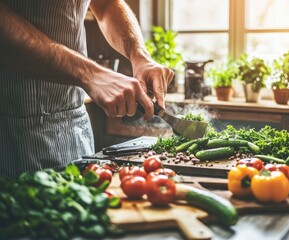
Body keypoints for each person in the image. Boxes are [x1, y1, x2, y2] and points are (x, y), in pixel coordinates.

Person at [0, 0, 174, 179]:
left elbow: (106, 4)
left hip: (75, 126)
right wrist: (92, 75)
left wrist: (139, 54)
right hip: (11, 133)